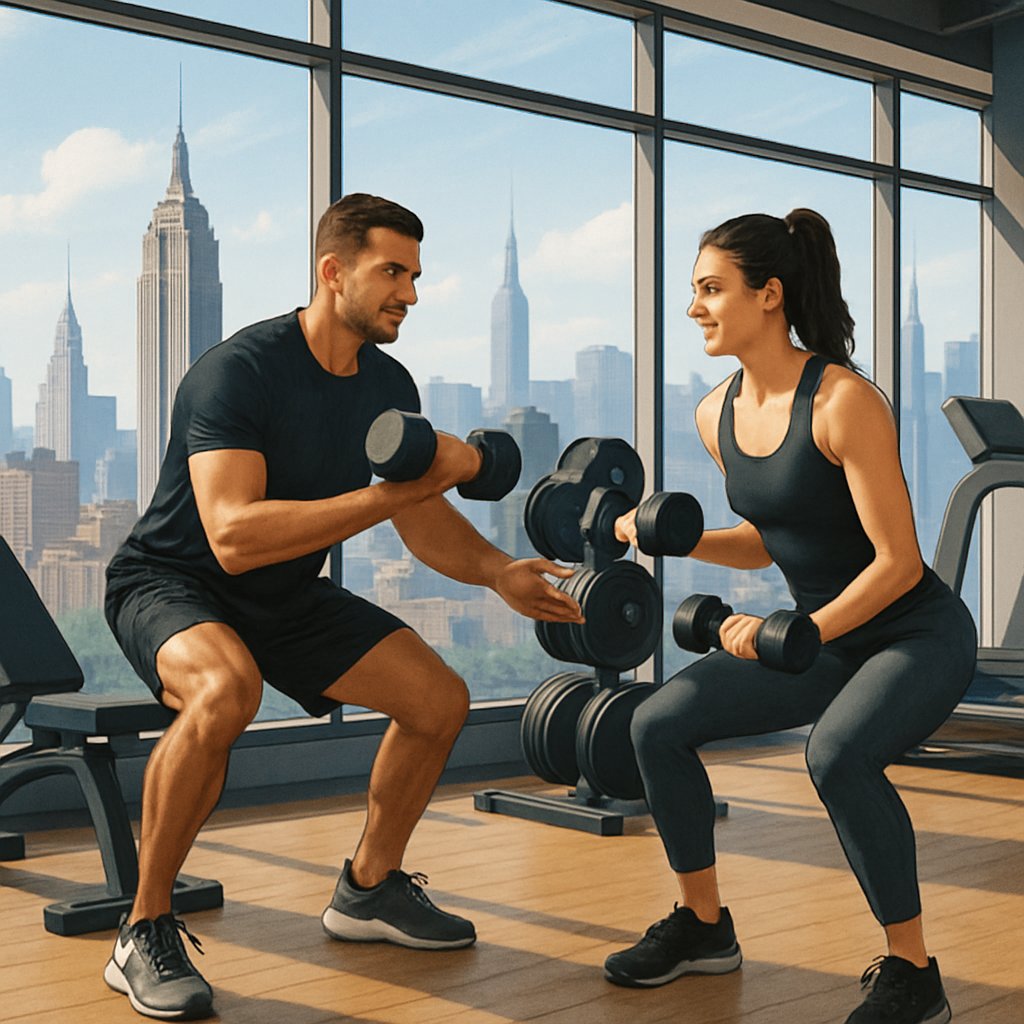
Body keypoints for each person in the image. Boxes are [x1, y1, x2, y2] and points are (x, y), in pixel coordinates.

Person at [102, 193, 583, 1021]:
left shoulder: (386, 383)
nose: (411, 293)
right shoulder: (239, 370)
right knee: (224, 690)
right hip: (173, 582)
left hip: (287, 593)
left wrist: (499, 571)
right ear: (334, 272)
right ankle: (143, 927)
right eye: (392, 272)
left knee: (438, 700)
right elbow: (232, 535)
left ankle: (367, 889)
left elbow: (423, 515)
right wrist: (389, 491)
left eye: (416, 275)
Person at [608, 209, 975, 1024]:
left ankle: (914, 975)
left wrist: (804, 632)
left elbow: (898, 563)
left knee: (839, 756)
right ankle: (704, 928)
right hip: (819, 633)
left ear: (768, 295)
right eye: (694, 292)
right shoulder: (716, 413)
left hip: (913, 632)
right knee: (656, 723)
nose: (696, 308)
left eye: (711, 289)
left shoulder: (844, 401)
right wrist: (675, 535)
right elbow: (764, 543)